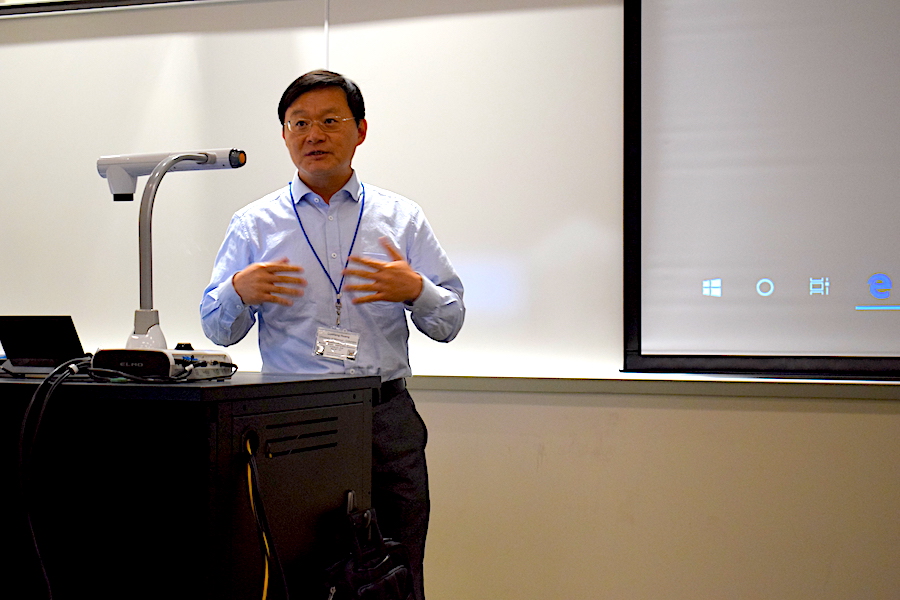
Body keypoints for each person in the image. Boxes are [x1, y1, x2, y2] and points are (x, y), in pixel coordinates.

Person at [200, 70, 464, 600]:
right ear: (284, 135)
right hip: (293, 421)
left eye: (328, 121)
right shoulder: (253, 225)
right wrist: (237, 289)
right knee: (293, 572)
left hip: (383, 417)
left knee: (398, 567)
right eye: (299, 123)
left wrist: (415, 290)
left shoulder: (400, 218)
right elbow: (217, 328)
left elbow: (449, 322)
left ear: (360, 131)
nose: (312, 134)